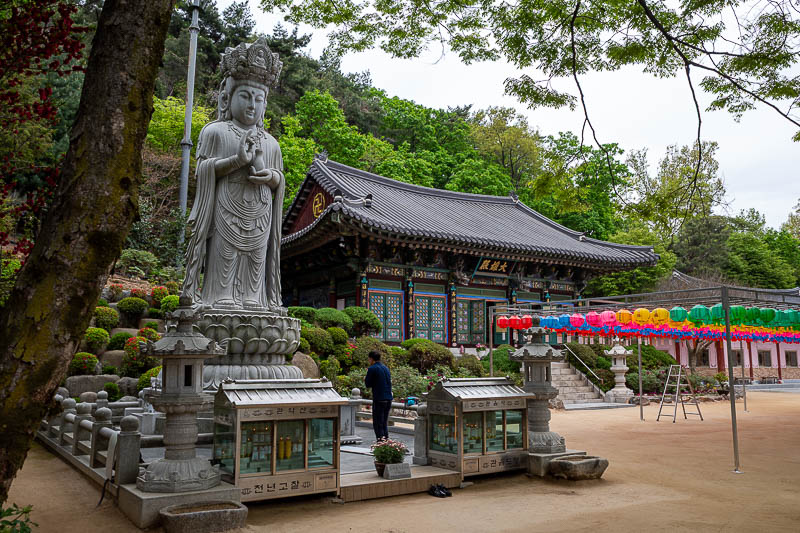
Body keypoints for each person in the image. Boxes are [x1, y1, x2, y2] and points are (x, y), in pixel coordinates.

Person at [182, 37, 285, 311]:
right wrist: (236, 160)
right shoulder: (215, 131)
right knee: (224, 258)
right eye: (245, 96)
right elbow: (203, 170)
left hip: (261, 213)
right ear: (228, 98)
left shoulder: (272, 143)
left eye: (259, 98)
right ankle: (218, 300)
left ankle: (255, 301)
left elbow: (278, 179)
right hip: (226, 207)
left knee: (255, 263)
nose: (252, 104)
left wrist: (273, 178)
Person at [365, 350, 392, 441]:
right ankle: (386, 440)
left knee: (378, 422)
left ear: (371, 359)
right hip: (388, 398)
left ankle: (380, 441)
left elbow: (368, 384)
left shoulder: (372, 368)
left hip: (379, 398)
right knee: (384, 422)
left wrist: (366, 378)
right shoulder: (386, 368)